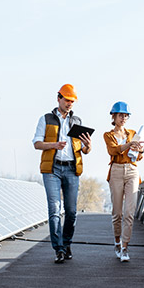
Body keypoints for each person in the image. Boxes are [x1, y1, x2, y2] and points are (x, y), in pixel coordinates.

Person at [33, 84, 92, 264]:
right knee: (54, 210)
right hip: (52, 169)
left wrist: (88, 145)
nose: (69, 104)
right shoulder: (46, 119)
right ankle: (58, 249)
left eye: (72, 101)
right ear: (58, 98)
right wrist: (54, 145)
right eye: (67, 100)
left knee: (72, 212)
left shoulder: (77, 122)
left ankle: (66, 244)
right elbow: (36, 143)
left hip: (72, 169)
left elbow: (85, 150)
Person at [103, 101, 143, 262]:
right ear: (113, 116)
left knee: (130, 212)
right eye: (121, 115)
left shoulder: (132, 133)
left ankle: (125, 247)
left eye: (126, 115)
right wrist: (129, 145)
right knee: (117, 213)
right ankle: (117, 241)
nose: (124, 118)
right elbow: (113, 150)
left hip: (132, 170)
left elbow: (139, 156)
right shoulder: (108, 135)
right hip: (116, 171)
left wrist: (139, 150)